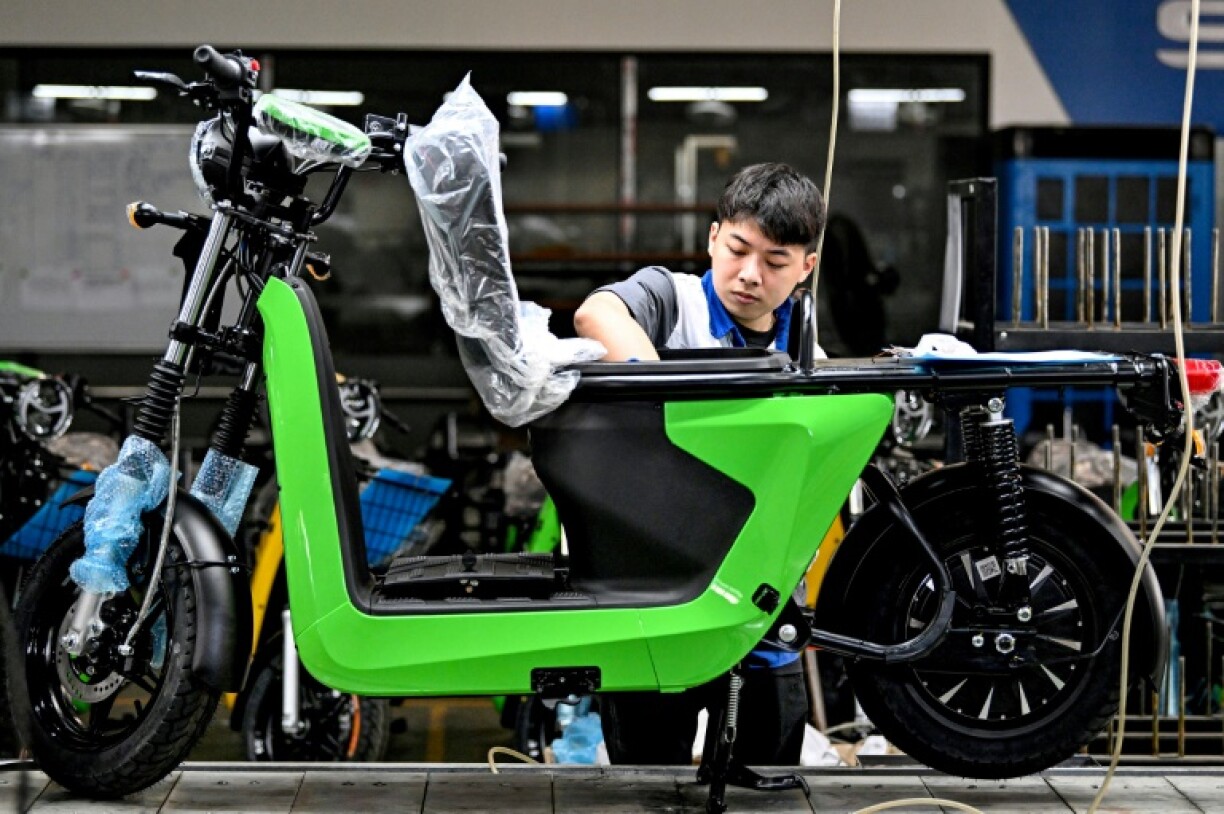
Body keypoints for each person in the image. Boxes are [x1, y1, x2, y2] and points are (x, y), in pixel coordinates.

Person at [572, 162, 825, 767]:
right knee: (646, 790)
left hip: (762, 620)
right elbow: (595, 315)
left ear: (806, 267)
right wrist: (670, 397)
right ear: (714, 237)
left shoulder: (804, 344)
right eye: (738, 249)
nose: (749, 274)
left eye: (775, 261)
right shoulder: (670, 297)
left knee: (763, 794)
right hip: (658, 611)